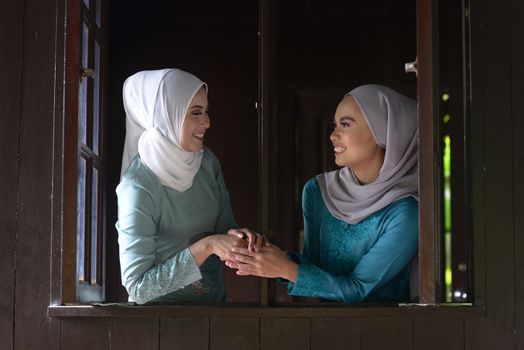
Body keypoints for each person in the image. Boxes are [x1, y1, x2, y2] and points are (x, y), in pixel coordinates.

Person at [225, 85, 419, 303]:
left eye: (345, 125)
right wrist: (264, 254)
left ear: (383, 131)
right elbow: (313, 265)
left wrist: (286, 269)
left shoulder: (406, 212)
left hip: (385, 331)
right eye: (335, 125)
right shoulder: (318, 191)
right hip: (320, 324)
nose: (333, 135)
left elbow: (358, 288)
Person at [116, 68, 264, 304]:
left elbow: (223, 227)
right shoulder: (138, 186)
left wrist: (234, 236)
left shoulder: (207, 163)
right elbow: (139, 288)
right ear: (166, 115)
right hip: (156, 326)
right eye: (196, 112)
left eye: (206, 111)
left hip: (214, 316)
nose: (207, 122)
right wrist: (206, 246)